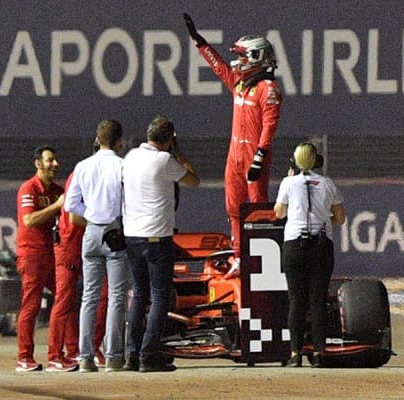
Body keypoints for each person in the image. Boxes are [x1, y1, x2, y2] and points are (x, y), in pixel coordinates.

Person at [184, 13, 283, 275]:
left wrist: (260, 156)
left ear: (257, 57)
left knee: (257, 208)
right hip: (234, 155)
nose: (239, 61)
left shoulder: (268, 89)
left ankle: (259, 258)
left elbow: (270, 126)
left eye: (243, 56)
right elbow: (218, 67)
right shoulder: (239, 84)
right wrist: (200, 42)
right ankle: (240, 256)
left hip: (253, 155)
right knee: (233, 207)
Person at [122, 116, 199, 372]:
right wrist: (179, 153)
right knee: (160, 297)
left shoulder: (130, 157)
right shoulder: (165, 160)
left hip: (132, 236)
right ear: (169, 139)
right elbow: (193, 180)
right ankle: (149, 354)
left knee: (139, 294)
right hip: (157, 237)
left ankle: (132, 354)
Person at [64, 119, 131, 373]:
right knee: (116, 296)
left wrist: (92, 213)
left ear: (97, 140)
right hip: (114, 231)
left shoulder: (82, 166)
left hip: (91, 232)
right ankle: (113, 357)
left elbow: (71, 205)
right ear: (119, 143)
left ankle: (85, 358)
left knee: (89, 297)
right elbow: (129, 201)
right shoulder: (123, 166)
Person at [273, 142, 344, 367]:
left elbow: (278, 213)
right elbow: (340, 218)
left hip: (294, 245)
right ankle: (319, 353)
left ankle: (295, 353)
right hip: (321, 245)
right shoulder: (328, 183)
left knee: (296, 300)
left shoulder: (288, 183)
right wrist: (322, 220)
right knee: (317, 300)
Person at [14, 145, 65, 372]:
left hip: (52, 254)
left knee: (66, 300)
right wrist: (57, 206)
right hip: (32, 254)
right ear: (38, 163)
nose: (55, 164)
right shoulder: (29, 188)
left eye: (56, 160)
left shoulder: (57, 190)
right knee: (31, 306)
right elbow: (29, 220)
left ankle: (60, 355)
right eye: (50, 160)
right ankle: (24, 358)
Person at [45, 169, 84, 372]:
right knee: (63, 302)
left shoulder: (78, 176)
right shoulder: (81, 176)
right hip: (68, 247)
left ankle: (73, 351)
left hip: (73, 246)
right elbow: (75, 218)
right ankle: (54, 356)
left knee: (68, 302)